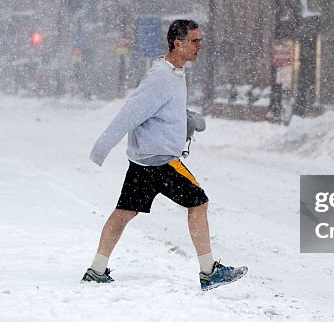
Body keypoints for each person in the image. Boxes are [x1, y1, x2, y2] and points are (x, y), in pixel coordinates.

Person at [82, 19, 247, 292]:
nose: (199, 46)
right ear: (177, 43)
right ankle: (209, 272)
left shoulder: (174, 73)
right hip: (161, 161)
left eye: (200, 40)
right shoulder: (160, 76)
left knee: (124, 212)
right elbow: (130, 113)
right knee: (199, 203)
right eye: (194, 41)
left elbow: (159, 111)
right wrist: (102, 148)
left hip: (145, 162)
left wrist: (185, 120)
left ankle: (96, 270)